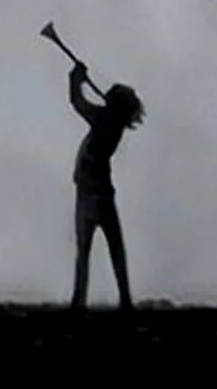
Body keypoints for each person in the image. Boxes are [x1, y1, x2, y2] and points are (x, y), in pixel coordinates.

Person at [67, 61, 143, 310]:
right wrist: (78, 81)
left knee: (86, 250)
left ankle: (81, 302)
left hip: (91, 193)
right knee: (114, 249)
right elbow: (82, 104)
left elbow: (78, 103)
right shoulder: (111, 121)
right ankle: (124, 299)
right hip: (101, 192)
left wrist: (75, 80)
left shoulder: (105, 121)